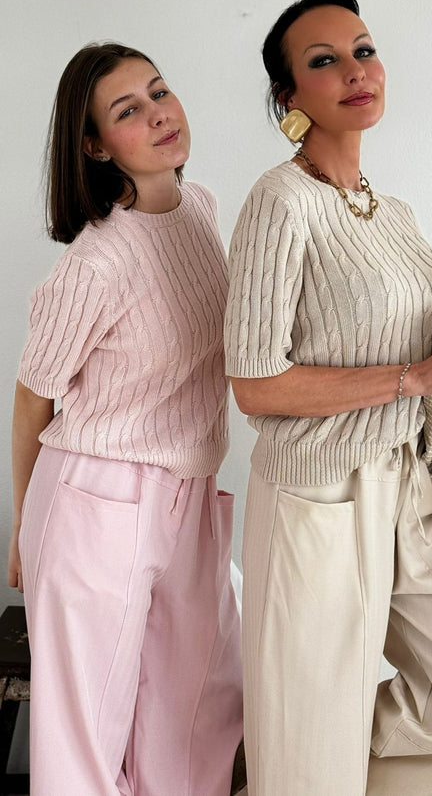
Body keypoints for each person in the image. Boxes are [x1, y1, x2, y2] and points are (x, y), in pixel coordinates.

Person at [224, 0, 432, 795]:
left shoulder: (391, 211)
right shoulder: (279, 202)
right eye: (324, 60)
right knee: (308, 734)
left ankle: (278, 770)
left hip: (410, 480)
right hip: (319, 494)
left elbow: (417, 348)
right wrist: (413, 377)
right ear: (288, 96)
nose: (355, 70)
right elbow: (253, 384)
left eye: (363, 50)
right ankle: (292, 766)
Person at [8, 43, 243, 796]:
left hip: (189, 495)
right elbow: (33, 397)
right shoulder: (95, 264)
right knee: (84, 741)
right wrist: (24, 524)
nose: (158, 113)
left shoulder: (202, 209)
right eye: (128, 110)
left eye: (159, 91)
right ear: (96, 146)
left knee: (196, 720)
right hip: (95, 499)